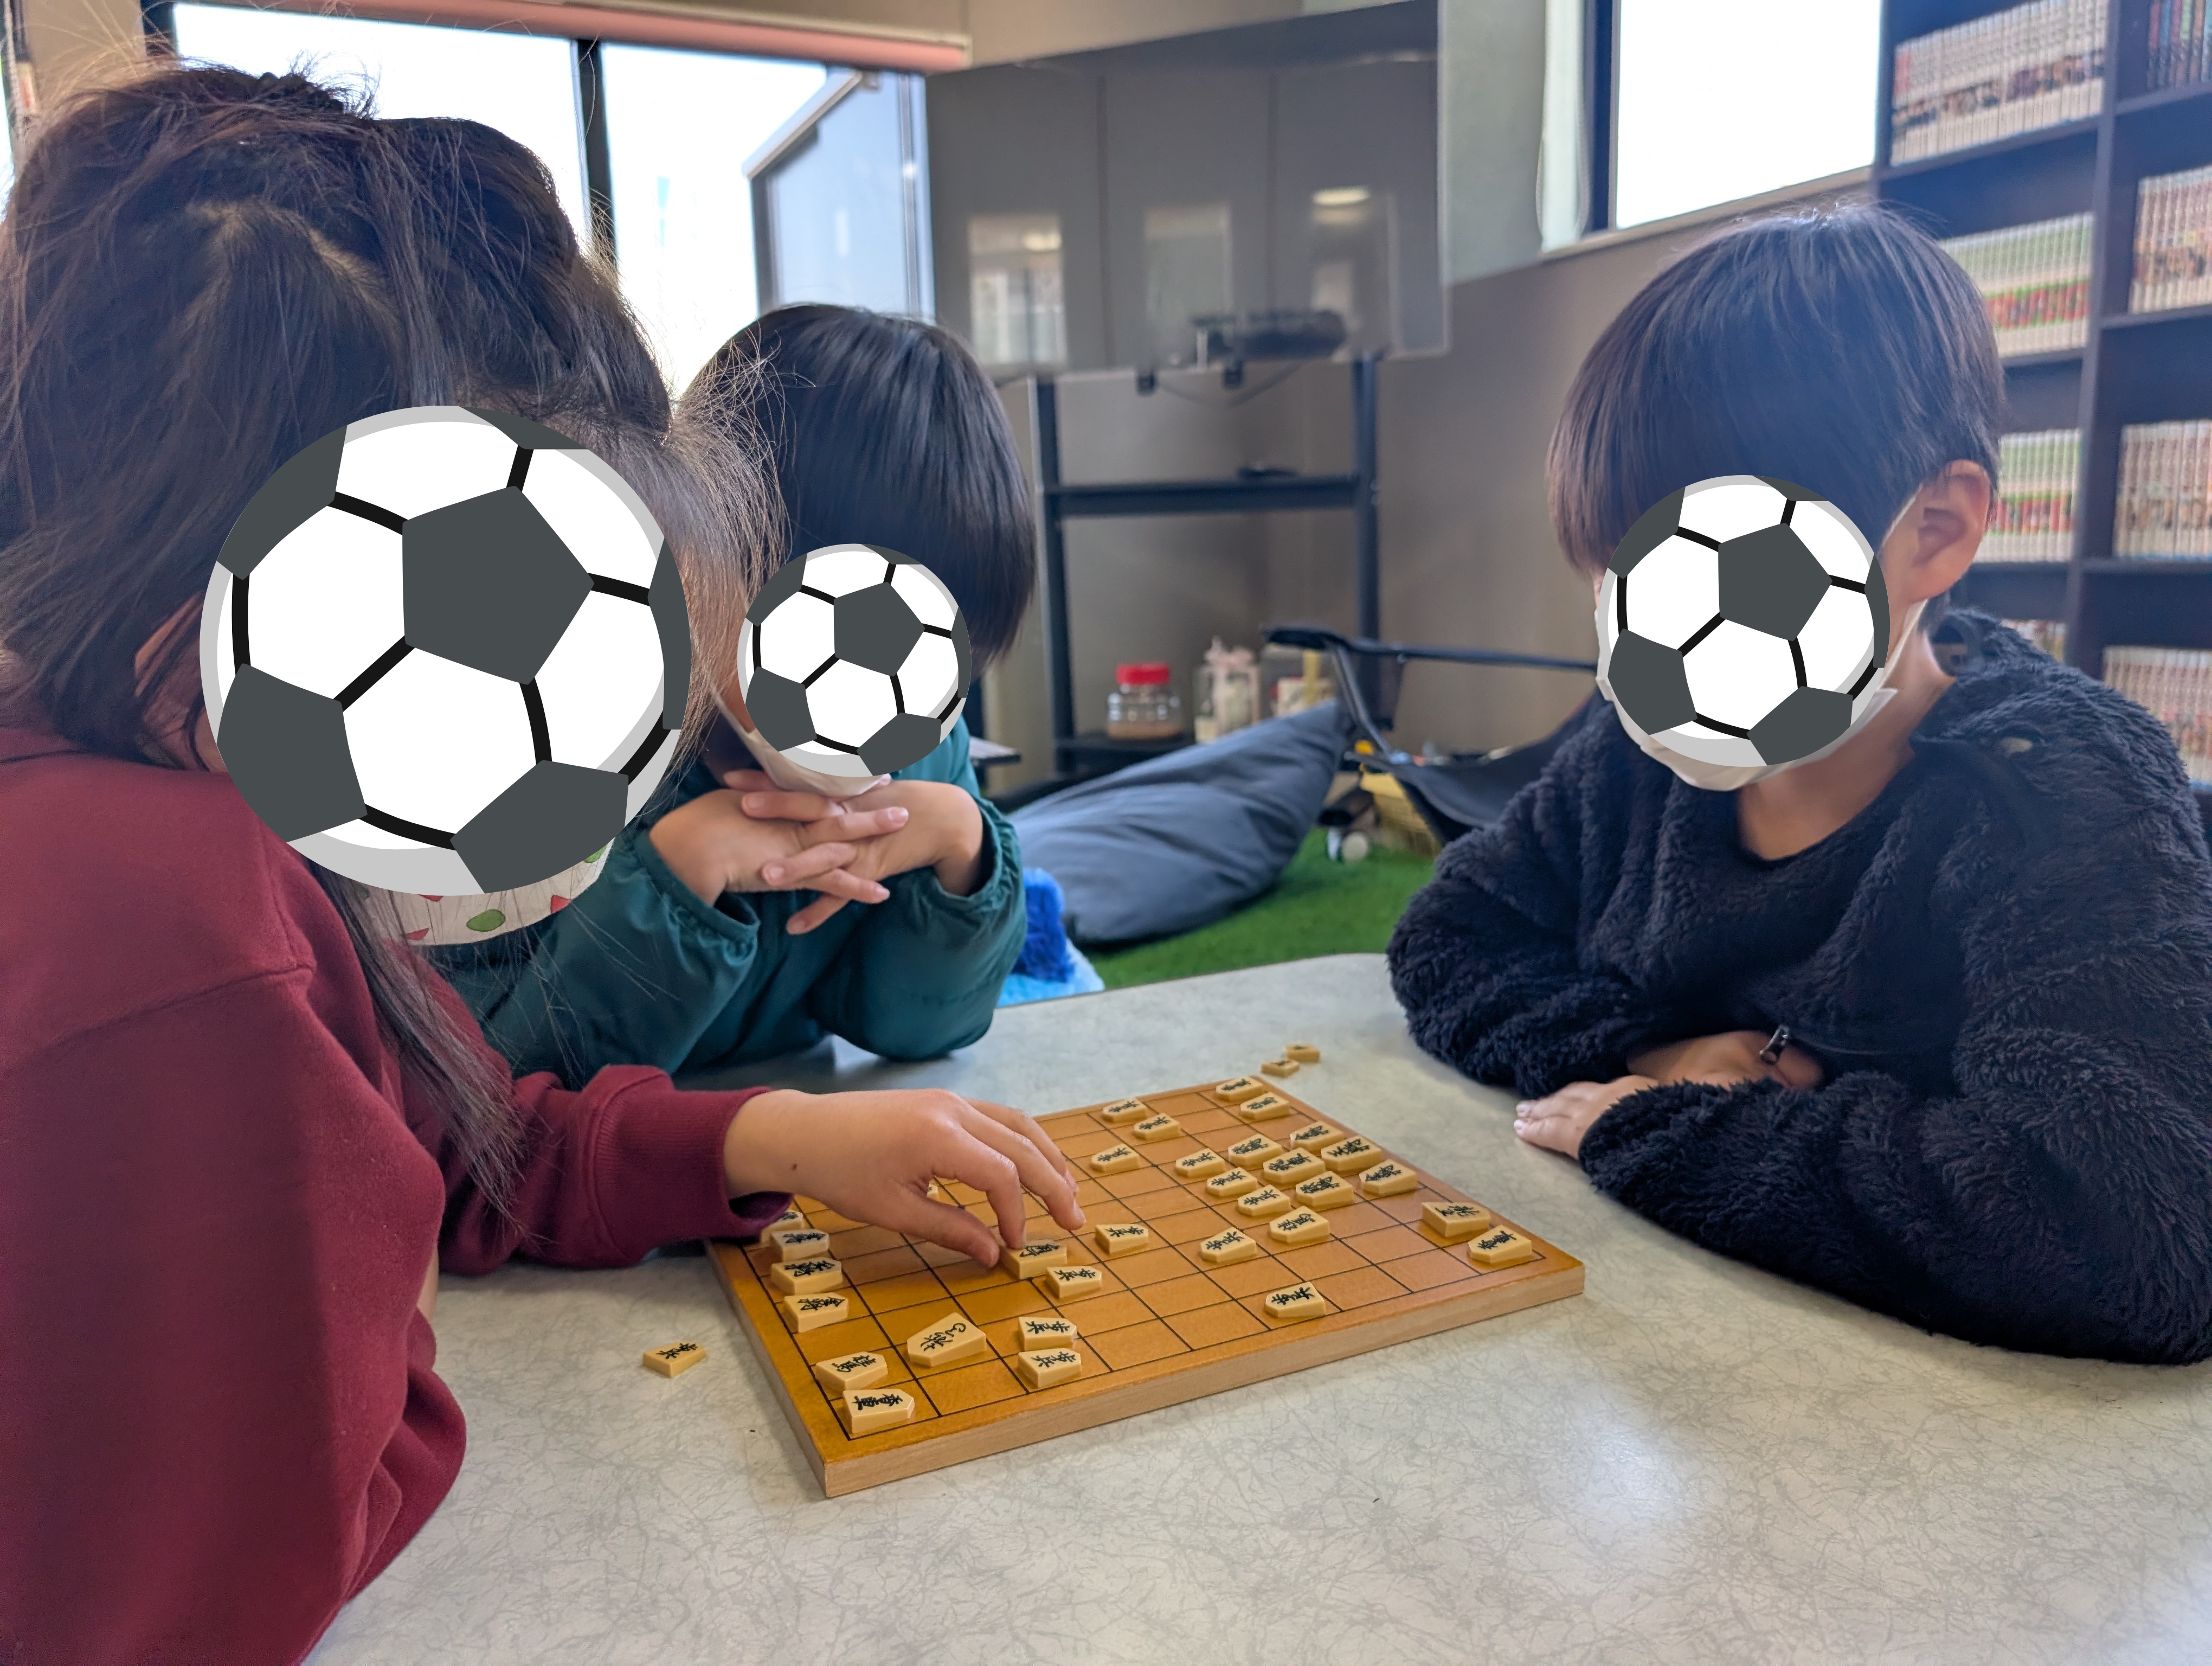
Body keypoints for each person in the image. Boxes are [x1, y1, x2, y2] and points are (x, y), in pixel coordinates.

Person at [0, 67, 1082, 1666]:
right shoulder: (174, 910)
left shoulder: (197, 805)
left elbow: (462, 1139)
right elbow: (254, 1550)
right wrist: (401, 1335)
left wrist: (768, 1135)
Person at [1388, 203, 2212, 1366]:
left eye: (1717, 580)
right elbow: (1449, 936)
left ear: (1935, 530)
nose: (1659, 652)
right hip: (1654, 1369)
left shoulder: (2055, 791)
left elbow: (2135, 1236)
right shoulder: (1637, 754)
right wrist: (1652, 1053)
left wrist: (1666, 1130)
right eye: (1625, 588)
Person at [435, 305, 1036, 1085]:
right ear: (700, 560)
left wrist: (962, 848)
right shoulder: (542, 735)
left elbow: (917, 1031)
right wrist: (678, 876)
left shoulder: (923, 748)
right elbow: (486, 1091)